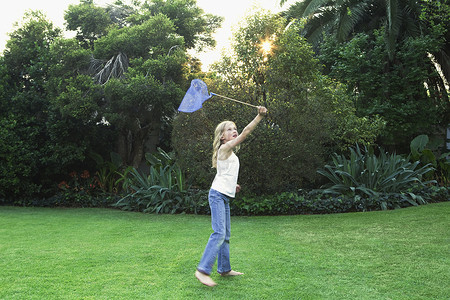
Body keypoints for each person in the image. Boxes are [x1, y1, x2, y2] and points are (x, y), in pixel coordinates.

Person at [195, 106, 268, 287]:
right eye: (229, 129)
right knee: (219, 233)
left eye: (235, 128)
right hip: (217, 195)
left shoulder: (230, 154)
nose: (234, 131)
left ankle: (224, 269)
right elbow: (245, 133)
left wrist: (232, 185)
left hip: (224, 196)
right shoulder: (225, 148)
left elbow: (224, 173)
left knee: (226, 235)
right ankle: (202, 270)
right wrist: (259, 116)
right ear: (222, 136)